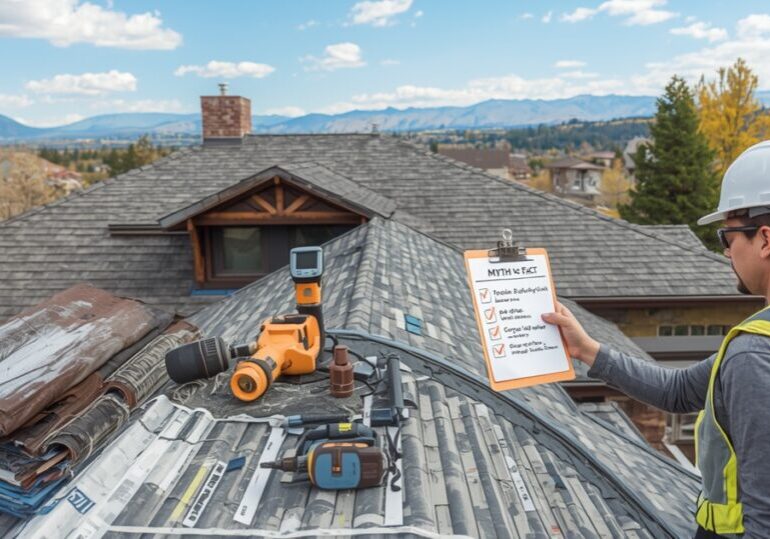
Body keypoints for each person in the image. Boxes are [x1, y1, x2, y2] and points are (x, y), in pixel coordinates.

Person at [543, 140, 770, 539]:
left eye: (727, 237)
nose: (726, 252)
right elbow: (681, 391)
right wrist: (586, 349)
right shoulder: (755, 338)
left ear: (765, 240)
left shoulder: (754, 353)